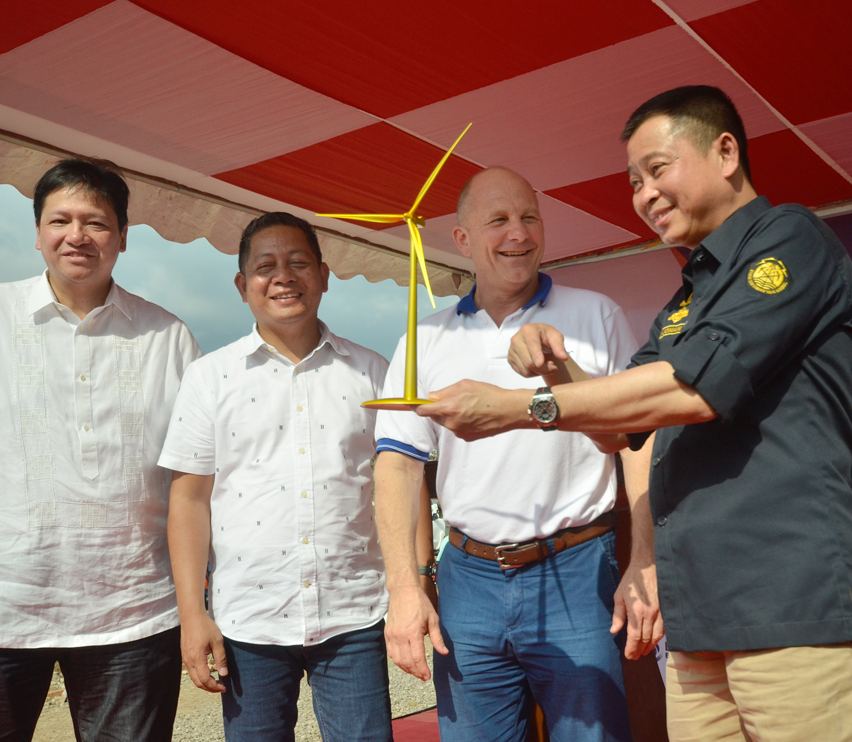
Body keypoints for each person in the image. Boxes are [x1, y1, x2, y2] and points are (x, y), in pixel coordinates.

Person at [417, 86, 852, 741]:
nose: (644, 193)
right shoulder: (687, 299)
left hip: (792, 611)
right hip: (700, 620)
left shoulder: (790, 236)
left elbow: (693, 389)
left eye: (658, 169)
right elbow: (621, 429)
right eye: (633, 181)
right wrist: (557, 369)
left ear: (725, 152)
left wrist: (519, 404)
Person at [0, 158, 201, 741]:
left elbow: (192, 477)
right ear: (37, 233)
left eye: (96, 223)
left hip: (131, 611)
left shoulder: (167, 335)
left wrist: (197, 598)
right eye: (61, 220)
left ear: (123, 237)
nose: (77, 236)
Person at [374, 166, 651, 742]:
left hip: (577, 566)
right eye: (498, 220)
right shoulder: (425, 336)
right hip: (468, 576)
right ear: (462, 239)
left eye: (529, 218)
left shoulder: (595, 313)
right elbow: (398, 465)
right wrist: (404, 587)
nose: (518, 234)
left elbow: (638, 444)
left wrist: (643, 561)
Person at [159, 212, 393, 742]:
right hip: (248, 624)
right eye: (266, 267)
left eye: (298, 263)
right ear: (243, 285)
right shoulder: (209, 378)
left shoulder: (372, 372)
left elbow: (401, 484)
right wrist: (193, 616)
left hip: (352, 616)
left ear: (325, 274)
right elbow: (189, 500)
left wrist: (413, 586)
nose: (283, 277)